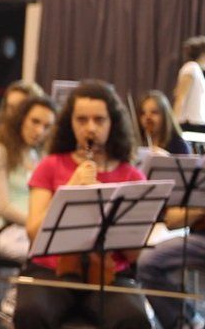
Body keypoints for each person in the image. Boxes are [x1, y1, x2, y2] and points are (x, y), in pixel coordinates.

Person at [13, 80, 151, 329]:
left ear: (112, 123)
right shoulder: (50, 165)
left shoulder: (132, 176)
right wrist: (71, 188)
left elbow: (133, 255)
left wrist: (108, 212)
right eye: (82, 120)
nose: (90, 128)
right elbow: (34, 234)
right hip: (51, 270)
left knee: (133, 320)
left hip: (110, 275)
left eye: (99, 120)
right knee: (30, 313)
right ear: (70, 123)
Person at [138, 95, 205, 329]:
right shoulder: (198, 166)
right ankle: (190, 323)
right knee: (147, 263)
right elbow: (172, 220)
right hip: (202, 241)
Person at [0, 95, 56, 267]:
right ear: (21, 119)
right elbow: (3, 207)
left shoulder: (37, 154)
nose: (39, 131)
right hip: (7, 231)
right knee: (49, 257)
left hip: (33, 229)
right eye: (35, 122)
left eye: (46, 126)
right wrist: (37, 224)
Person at [173, 36, 205, 133]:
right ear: (204, 55)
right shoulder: (191, 68)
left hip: (201, 126)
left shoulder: (197, 72)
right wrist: (174, 126)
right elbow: (180, 97)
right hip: (191, 126)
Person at [136, 91, 191, 156]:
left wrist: (167, 157)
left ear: (165, 116)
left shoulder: (179, 145)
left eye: (154, 112)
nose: (147, 117)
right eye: (143, 113)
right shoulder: (137, 143)